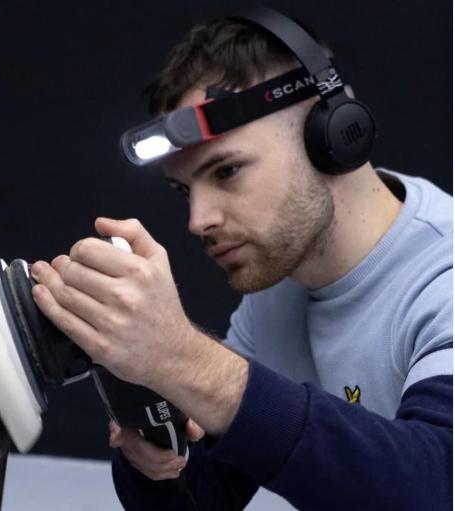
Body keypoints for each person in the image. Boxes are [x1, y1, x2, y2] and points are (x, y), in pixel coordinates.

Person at [29, 8, 452, 510]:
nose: (198, 220)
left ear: (336, 134)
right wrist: (157, 442)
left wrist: (185, 360)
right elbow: (206, 496)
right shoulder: (278, 291)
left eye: (227, 171)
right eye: (184, 190)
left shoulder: (440, 276)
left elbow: (436, 485)